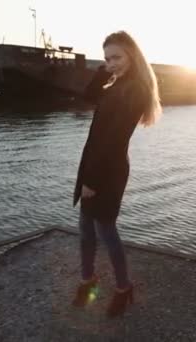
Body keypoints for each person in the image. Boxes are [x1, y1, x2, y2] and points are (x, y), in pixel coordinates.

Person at [72, 31, 161, 317]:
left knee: (106, 231)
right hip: (94, 164)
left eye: (117, 57)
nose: (112, 63)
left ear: (132, 56)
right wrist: (103, 72)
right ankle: (88, 280)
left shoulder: (134, 90)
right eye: (107, 58)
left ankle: (123, 288)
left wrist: (91, 182)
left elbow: (113, 140)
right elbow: (86, 97)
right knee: (85, 230)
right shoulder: (116, 84)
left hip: (106, 170)